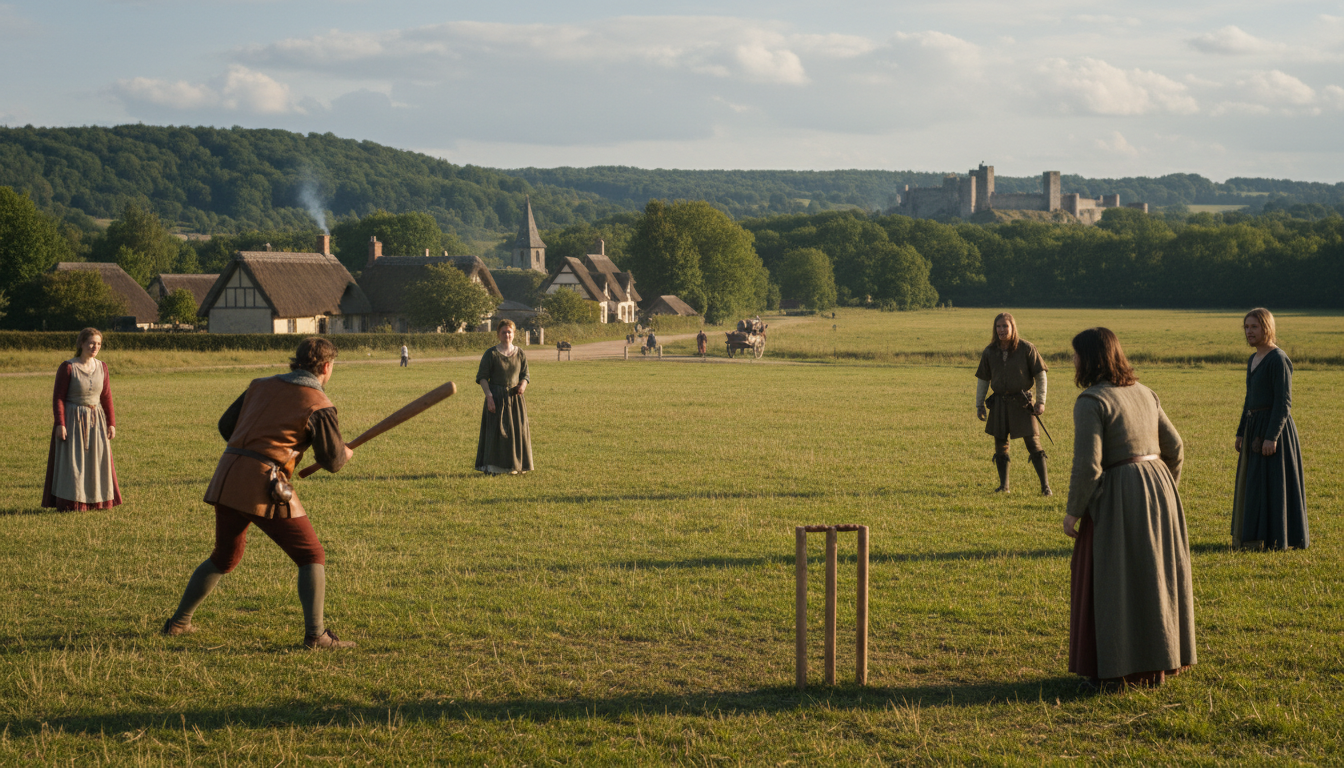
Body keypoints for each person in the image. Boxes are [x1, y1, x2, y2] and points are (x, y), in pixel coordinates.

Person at [163, 337, 355, 649]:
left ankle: (179, 623)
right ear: (325, 367)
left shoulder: (259, 384)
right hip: (263, 483)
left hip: (227, 474)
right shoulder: (319, 403)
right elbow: (332, 460)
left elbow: (227, 426)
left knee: (225, 556)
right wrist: (343, 454)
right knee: (311, 555)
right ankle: (317, 637)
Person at [1064, 327, 1195, 688]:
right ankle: (1157, 666)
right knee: (1153, 579)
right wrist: (1164, 489)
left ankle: (1118, 669)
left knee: (1116, 580)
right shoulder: (1145, 393)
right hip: (1159, 486)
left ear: (1090, 359)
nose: (1072, 361)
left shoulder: (1091, 401)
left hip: (1121, 491)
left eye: (1076, 354)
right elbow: (1176, 447)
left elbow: (1088, 465)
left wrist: (1074, 511)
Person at [1231, 308, 1308, 550]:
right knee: (1254, 483)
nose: (1249, 331)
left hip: (1275, 430)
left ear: (1267, 328)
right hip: (1254, 427)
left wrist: (1271, 437)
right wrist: (1241, 431)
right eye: (1246, 327)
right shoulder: (1252, 360)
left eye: (1254, 327)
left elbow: (1283, 403)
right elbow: (1249, 399)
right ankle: (1254, 537)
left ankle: (1278, 538)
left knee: (1274, 484)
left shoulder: (1278, 359)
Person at [42, 327, 122, 511]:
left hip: (97, 420)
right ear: (81, 343)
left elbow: (106, 396)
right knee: (73, 462)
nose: (95, 347)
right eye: (91, 343)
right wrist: (60, 424)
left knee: (97, 461)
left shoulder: (102, 367)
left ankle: (97, 501)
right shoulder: (68, 367)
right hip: (73, 420)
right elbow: (59, 397)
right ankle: (73, 502)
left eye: (99, 344)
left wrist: (111, 423)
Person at [975, 312, 1051, 494]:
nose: (1001, 330)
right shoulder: (989, 351)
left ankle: (1045, 487)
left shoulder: (1026, 348)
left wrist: (1041, 401)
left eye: (1005, 326)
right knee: (1000, 445)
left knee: (1033, 444)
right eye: (998, 327)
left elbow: (1041, 375)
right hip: (999, 402)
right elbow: (983, 380)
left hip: (1022, 403)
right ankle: (1004, 487)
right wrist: (979, 404)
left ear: (1012, 327)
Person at [476, 319, 533, 474]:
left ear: (513, 334)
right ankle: (495, 467)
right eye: (504, 332)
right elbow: (482, 377)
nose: (507, 334)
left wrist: (523, 385)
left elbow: (525, 375)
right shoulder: (491, 354)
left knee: (516, 431)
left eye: (509, 332)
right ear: (498, 334)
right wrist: (489, 397)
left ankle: (515, 466)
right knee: (497, 432)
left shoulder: (520, 353)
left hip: (515, 399)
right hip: (496, 397)